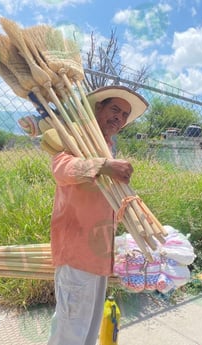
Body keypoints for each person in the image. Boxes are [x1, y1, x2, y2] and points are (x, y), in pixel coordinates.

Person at [47, 85, 148, 345]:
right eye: (115, 109)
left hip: (99, 256)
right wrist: (103, 166)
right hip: (77, 252)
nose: (120, 118)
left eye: (125, 114)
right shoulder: (76, 139)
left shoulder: (107, 147)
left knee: (88, 333)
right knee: (70, 334)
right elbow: (61, 169)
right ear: (98, 108)